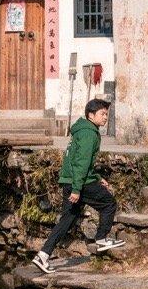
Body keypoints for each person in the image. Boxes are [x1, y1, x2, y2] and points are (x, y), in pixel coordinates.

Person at [33, 98, 124, 273]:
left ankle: (43, 255)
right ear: (91, 115)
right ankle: (102, 238)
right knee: (108, 204)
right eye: (102, 114)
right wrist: (76, 189)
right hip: (78, 183)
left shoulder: (82, 130)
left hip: (71, 180)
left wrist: (97, 177)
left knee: (67, 220)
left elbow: (79, 161)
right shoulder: (89, 133)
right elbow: (81, 163)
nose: (105, 117)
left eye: (106, 114)